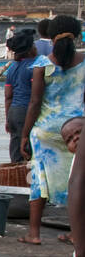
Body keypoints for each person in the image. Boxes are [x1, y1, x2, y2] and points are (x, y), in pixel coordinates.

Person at [19, 15, 84, 245]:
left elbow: (34, 103)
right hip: (78, 132)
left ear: (50, 35)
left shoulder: (42, 64)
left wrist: (25, 134)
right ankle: (77, 233)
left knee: (40, 181)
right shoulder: (84, 61)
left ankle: (34, 234)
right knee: (78, 181)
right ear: (77, 34)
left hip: (45, 132)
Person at [3, 28, 38, 163]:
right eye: (34, 45)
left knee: (16, 149)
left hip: (13, 112)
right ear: (30, 49)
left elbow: (8, 96)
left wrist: (7, 119)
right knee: (28, 149)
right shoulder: (36, 66)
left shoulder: (12, 68)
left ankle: (16, 177)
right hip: (27, 112)